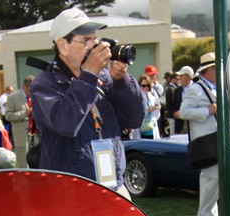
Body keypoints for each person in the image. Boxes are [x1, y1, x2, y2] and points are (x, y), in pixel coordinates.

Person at [31, 7, 145, 197]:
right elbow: (65, 124)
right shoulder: (45, 84)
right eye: (86, 40)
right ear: (63, 46)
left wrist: (122, 82)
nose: (95, 46)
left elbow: (134, 119)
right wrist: (88, 76)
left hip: (114, 186)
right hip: (71, 192)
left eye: (95, 39)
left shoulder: (104, 78)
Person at [179, 52, 220, 216]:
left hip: (214, 139)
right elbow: (184, 112)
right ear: (210, 70)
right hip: (205, 141)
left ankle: (211, 214)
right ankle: (205, 214)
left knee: (213, 178)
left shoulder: (212, 87)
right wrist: (207, 111)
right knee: (212, 177)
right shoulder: (196, 89)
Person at [4, 75, 34, 167]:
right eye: (31, 89)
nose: (33, 92)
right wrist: (25, 113)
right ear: (24, 86)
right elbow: (8, 116)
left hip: (36, 136)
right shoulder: (13, 97)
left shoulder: (36, 96)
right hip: (21, 136)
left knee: (36, 163)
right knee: (23, 164)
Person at [169, 65, 192, 133]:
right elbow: (173, 105)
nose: (179, 77)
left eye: (182, 75)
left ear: (188, 76)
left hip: (193, 123)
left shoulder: (196, 88)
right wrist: (175, 113)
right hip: (180, 125)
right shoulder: (177, 90)